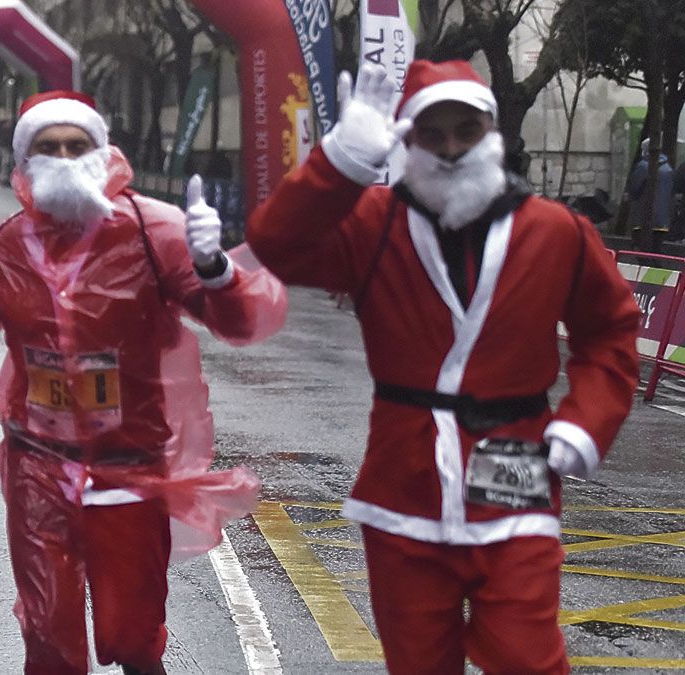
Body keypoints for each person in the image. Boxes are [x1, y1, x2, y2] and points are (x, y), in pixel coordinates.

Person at [246, 60, 640, 674]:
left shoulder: (557, 231)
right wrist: (339, 162)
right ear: (408, 140)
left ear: (493, 133)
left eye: (467, 130)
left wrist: (583, 425)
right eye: (434, 133)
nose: (453, 147)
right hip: (403, 489)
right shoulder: (373, 225)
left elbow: (610, 332)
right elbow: (275, 244)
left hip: (517, 481)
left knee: (527, 660)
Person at [0, 90, 286, 675]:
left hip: (130, 467)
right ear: (23, 164)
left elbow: (239, 321)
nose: (65, 158)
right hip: (38, 466)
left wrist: (216, 271)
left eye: (78, 145)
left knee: (132, 635)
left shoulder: (157, 232)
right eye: (48, 148)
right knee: (48, 634)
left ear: (103, 152)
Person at [626, 137, 674, 237]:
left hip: (643, 218)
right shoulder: (668, 169)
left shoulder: (643, 167)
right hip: (663, 220)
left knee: (640, 247)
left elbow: (634, 188)